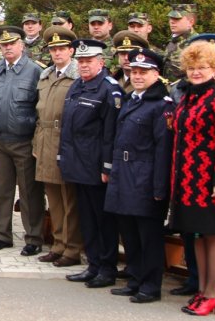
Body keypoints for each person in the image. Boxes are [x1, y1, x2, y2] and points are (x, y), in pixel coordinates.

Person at [170, 41, 215, 316]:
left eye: (202, 67)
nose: (196, 72)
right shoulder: (189, 95)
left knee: (213, 236)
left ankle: (212, 294)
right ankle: (201, 290)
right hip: (188, 181)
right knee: (197, 235)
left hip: (212, 181)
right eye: (191, 67)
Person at [105, 49, 174, 303]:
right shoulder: (130, 99)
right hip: (124, 175)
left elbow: (163, 150)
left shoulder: (162, 106)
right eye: (134, 72)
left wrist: (159, 187)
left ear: (156, 74)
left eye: (143, 72)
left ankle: (151, 285)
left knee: (149, 236)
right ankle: (134, 278)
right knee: (130, 233)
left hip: (145, 177)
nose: (137, 76)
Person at [59, 39, 123, 283]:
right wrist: (63, 157)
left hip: (97, 167)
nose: (84, 65)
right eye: (81, 61)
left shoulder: (109, 89)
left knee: (103, 220)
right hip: (78, 164)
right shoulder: (77, 86)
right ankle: (93, 264)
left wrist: (107, 166)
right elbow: (68, 127)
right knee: (86, 218)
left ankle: (107, 268)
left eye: (89, 61)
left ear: (101, 62)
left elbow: (111, 133)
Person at [0, 27, 44, 252]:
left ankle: (34, 238)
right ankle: (3, 235)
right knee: (1, 189)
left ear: (22, 45)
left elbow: (41, 108)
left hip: (24, 139)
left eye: (12, 43)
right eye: (4, 44)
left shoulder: (36, 71)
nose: (7, 48)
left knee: (29, 192)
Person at [31, 28, 83, 266]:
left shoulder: (77, 76)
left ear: (71, 51)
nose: (57, 52)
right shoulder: (45, 76)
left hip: (65, 140)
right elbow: (38, 111)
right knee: (53, 198)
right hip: (44, 138)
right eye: (53, 49)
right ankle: (58, 244)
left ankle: (72, 249)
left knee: (69, 198)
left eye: (61, 48)